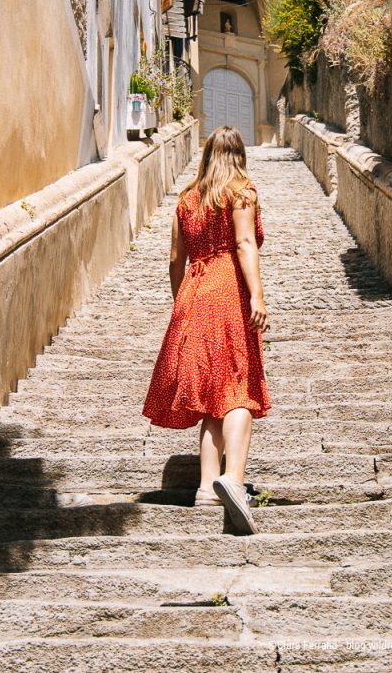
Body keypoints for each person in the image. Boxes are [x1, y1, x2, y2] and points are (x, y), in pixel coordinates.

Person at [142, 126, 270, 533]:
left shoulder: (186, 200)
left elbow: (175, 261)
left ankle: (204, 488)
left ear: (207, 154)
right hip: (228, 290)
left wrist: (185, 301)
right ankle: (232, 480)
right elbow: (245, 244)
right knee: (237, 391)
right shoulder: (241, 191)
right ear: (239, 156)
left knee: (212, 396)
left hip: (193, 297)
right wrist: (257, 297)